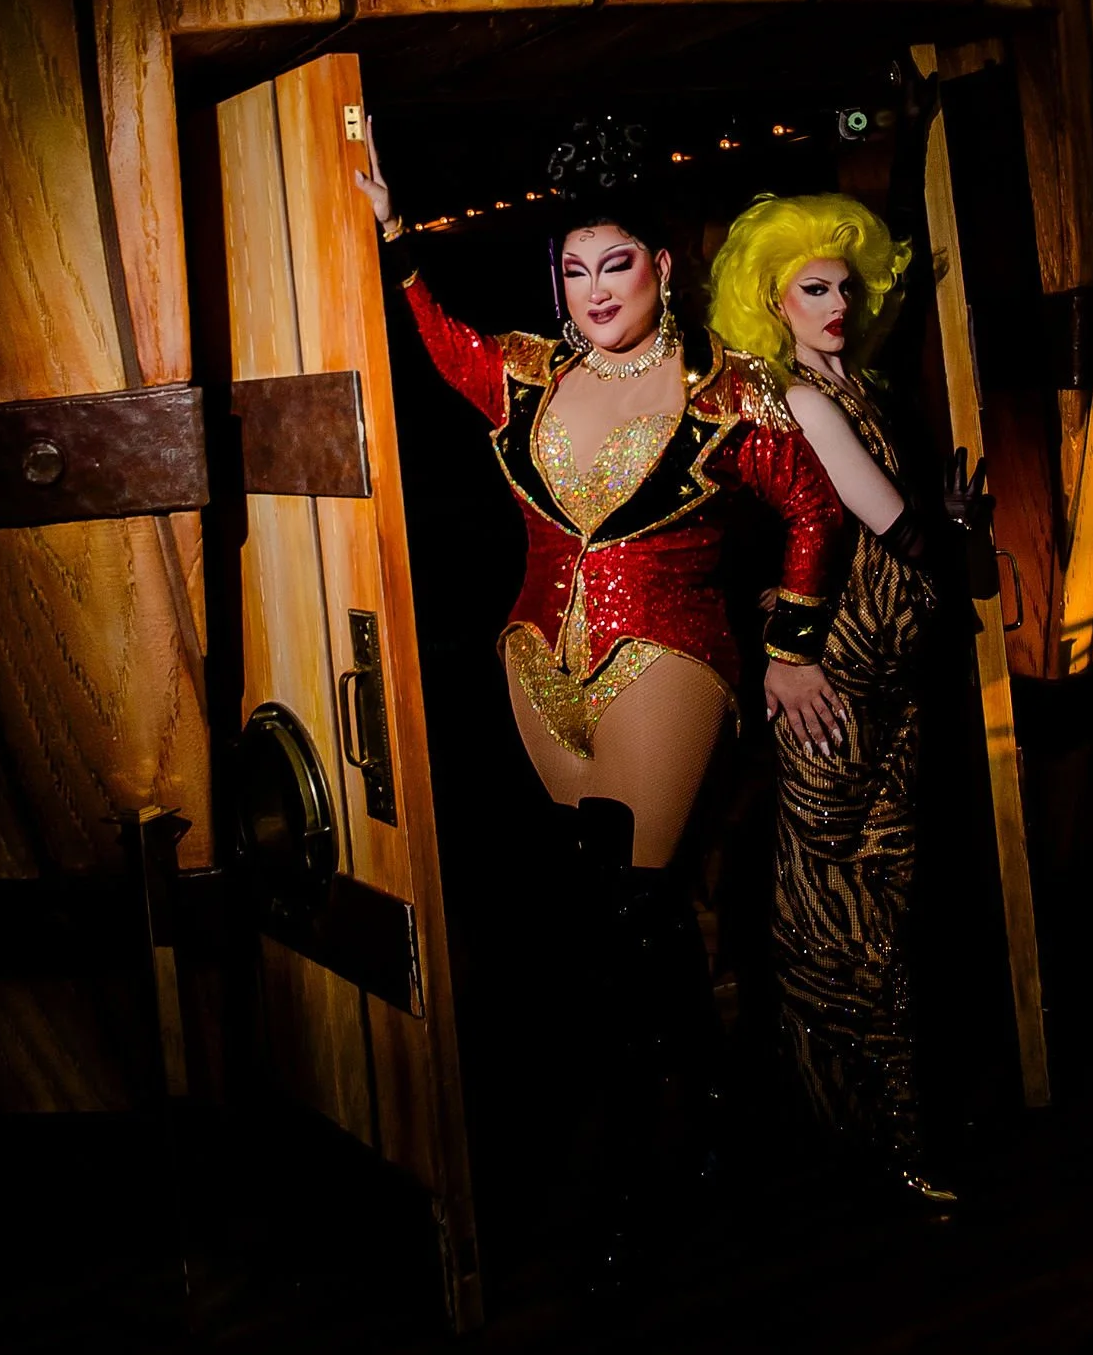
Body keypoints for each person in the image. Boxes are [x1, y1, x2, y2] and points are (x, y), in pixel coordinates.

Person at [354, 115, 849, 1259]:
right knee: (630, 924)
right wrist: (395, 239)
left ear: (660, 268)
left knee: (627, 921)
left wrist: (794, 644)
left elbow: (815, 510)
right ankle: (717, 1114)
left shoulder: (724, 396)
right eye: (572, 271)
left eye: (613, 264)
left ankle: (629, 1176)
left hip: (666, 664)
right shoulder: (526, 376)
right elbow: (442, 343)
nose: (592, 291)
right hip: (534, 663)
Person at [709, 190, 980, 1209]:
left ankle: (885, 1132)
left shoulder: (853, 384)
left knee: (886, 912)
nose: (835, 301)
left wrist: (943, 521)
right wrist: (948, 538)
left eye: (845, 284)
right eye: (811, 287)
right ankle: (855, 1138)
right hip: (830, 690)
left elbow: (907, 524)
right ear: (770, 302)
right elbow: (893, 529)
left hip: (888, 685)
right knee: (833, 924)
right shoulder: (797, 400)